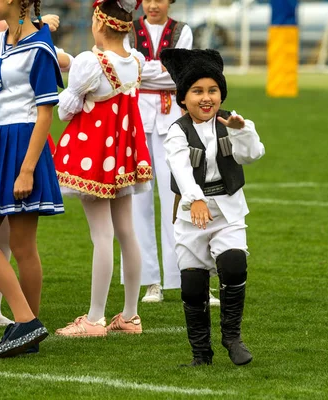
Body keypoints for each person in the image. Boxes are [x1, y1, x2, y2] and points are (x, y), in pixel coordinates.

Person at [0, 0, 64, 358]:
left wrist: (26, 168)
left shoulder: (39, 45)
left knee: (22, 247)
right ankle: (27, 324)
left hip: (23, 146)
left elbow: (45, 112)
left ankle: (26, 326)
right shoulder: (3, 40)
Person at [53, 0, 152, 337]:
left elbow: (66, 111)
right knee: (126, 232)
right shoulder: (135, 61)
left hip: (93, 155)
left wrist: (71, 93)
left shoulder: (89, 62)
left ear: (98, 22)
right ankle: (130, 314)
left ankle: (95, 318)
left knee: (102, 235)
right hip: (123, 156)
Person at [160, 48, 265, 366]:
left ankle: (232, 338)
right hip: (192, 213)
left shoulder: (231, 122)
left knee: (234, 264)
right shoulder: (177, 131)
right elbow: (179, 166)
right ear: (183, 98)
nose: (206, 98)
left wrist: (242, 130)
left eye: (212, 91)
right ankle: (201, 354)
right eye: (197, 91)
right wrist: (195, 199)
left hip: (228, 209)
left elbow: (253, 154)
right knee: (193, 285)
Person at [120, 0, 202, 304]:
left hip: (171, 122)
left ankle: (183, 276)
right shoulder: (129, 30)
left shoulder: (183, 31)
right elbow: (127, 69)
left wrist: (145, 69)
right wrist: (155, 70)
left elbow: (181, 74)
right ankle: (149, 280)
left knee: (177, 198)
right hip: (137, 120)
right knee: (139, 200)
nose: (154, 5)